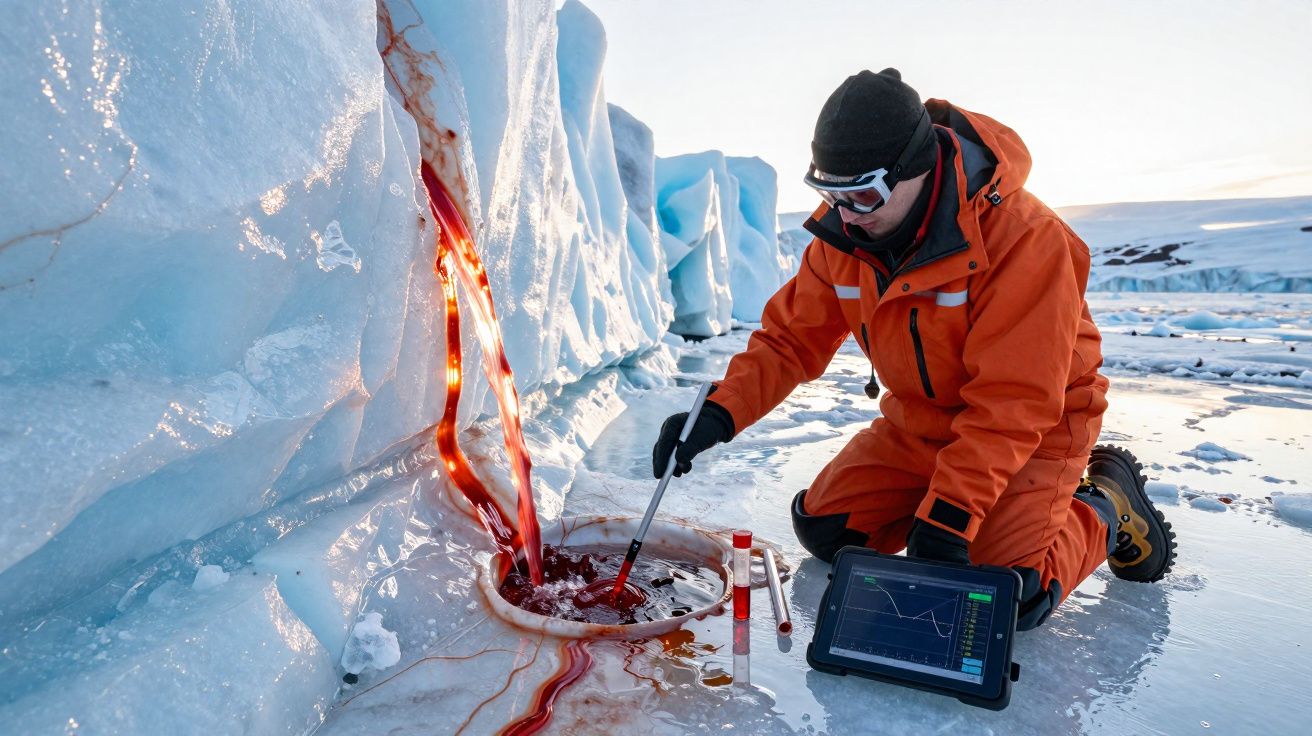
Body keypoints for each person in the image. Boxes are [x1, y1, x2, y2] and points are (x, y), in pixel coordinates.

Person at [651, 68, 1176, 629]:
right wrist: (718, 412)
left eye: (862, 193)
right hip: (919, 425)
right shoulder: (845, 237)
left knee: (1003, 592)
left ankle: (1103, 507)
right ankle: (946, 496)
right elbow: (789, 339)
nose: (847, 212)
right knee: (826, 529)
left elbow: (1014, 403)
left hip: (1036, 433)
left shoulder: (1026, 239)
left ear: (915, 169)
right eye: (830, 193)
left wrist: (952, 515)